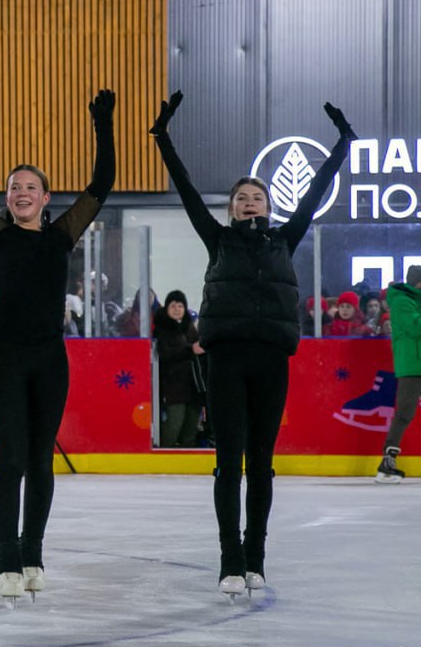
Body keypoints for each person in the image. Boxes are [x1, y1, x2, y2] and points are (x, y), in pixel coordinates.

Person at [151, 90, 355, 597]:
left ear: (268, 204)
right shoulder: (217, 240)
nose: (248, 202)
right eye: (241, 197)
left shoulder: (284, 239)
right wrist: (162, 138)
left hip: (270, 361)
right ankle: (229, 560)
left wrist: (343, 144)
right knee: (229, 461)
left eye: (257, 196)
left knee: (261, 463)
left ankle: (256, 556)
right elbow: (186, 189)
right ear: (232, 208)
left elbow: (316, 190)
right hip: (226, 359)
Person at [0, 88, 115, 603]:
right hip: (5, 356)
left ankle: (33, 552)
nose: (22, 192)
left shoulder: (62, 236)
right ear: (8, 198)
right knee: (10, 461)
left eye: (31, 186)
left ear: (46, 197)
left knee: (42, 461)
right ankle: (6, 555)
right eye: (14, 187)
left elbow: (102, 184)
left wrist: (102, 124)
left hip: (50, 359)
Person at [377, 265, 420, 482]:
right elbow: (416, 327)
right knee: (404, 412)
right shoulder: (403, 301)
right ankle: (387, 462)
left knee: (405, 412)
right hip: (412, 365)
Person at [153, 290, 204, 448]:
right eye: (173, 305)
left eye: (180, 305)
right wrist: (190, 350)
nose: (176, 309)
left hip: (193, 386)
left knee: (190, 427)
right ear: (167, 308)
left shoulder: (190, 328)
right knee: (174, 425)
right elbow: (166, 353)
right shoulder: (162, 329)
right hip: (173, 387)